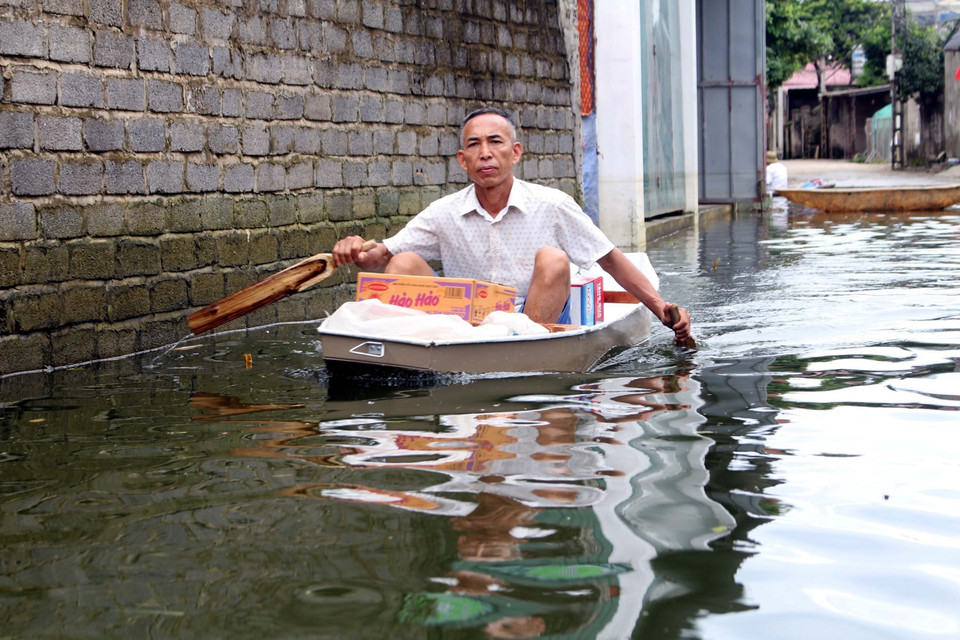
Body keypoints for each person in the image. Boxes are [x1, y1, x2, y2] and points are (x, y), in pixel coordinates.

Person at [332, 107, 692, 345]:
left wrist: (661, 308)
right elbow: (382, 257)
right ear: (463, 160)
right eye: (474, 145)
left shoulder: (552, 205)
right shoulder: (444, 213)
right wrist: (356, 250)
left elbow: (609, 260)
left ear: (515, 152)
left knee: (553, 258)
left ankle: (527, 349)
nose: (485, 153)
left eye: (495, 142)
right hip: (464, 325)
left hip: (539, 321)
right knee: (403, 263)